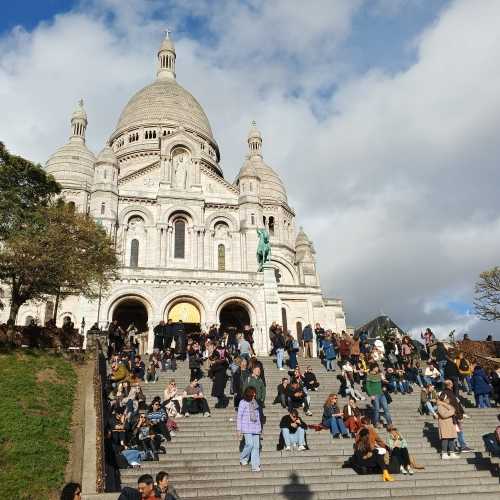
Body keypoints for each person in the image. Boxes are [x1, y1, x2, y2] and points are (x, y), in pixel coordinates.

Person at [237, 387, 262, 472]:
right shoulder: (242, 402)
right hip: (246, 427)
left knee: (256, 447)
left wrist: (259, 428)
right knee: (250, 444)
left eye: (255, 392)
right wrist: (239, 429)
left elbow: (258, 416)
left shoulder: (255, 402)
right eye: (253, 392)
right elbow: (239, 416)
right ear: (248, 393)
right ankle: (243, 458)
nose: (254, 394)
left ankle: (255, 465)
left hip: (255, 427)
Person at [437, 392, 459, 459]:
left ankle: (452, 453)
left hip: (450, 424)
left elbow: (453, 410)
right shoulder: (440, 406)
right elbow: (444, 415)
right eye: (447, 398)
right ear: (444, 398)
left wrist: (452, 410)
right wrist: (452, 411)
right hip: (444, 424)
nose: (448, 399)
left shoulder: (448, 405)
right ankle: (444, 453)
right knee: (445, 439)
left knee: (451, 439)